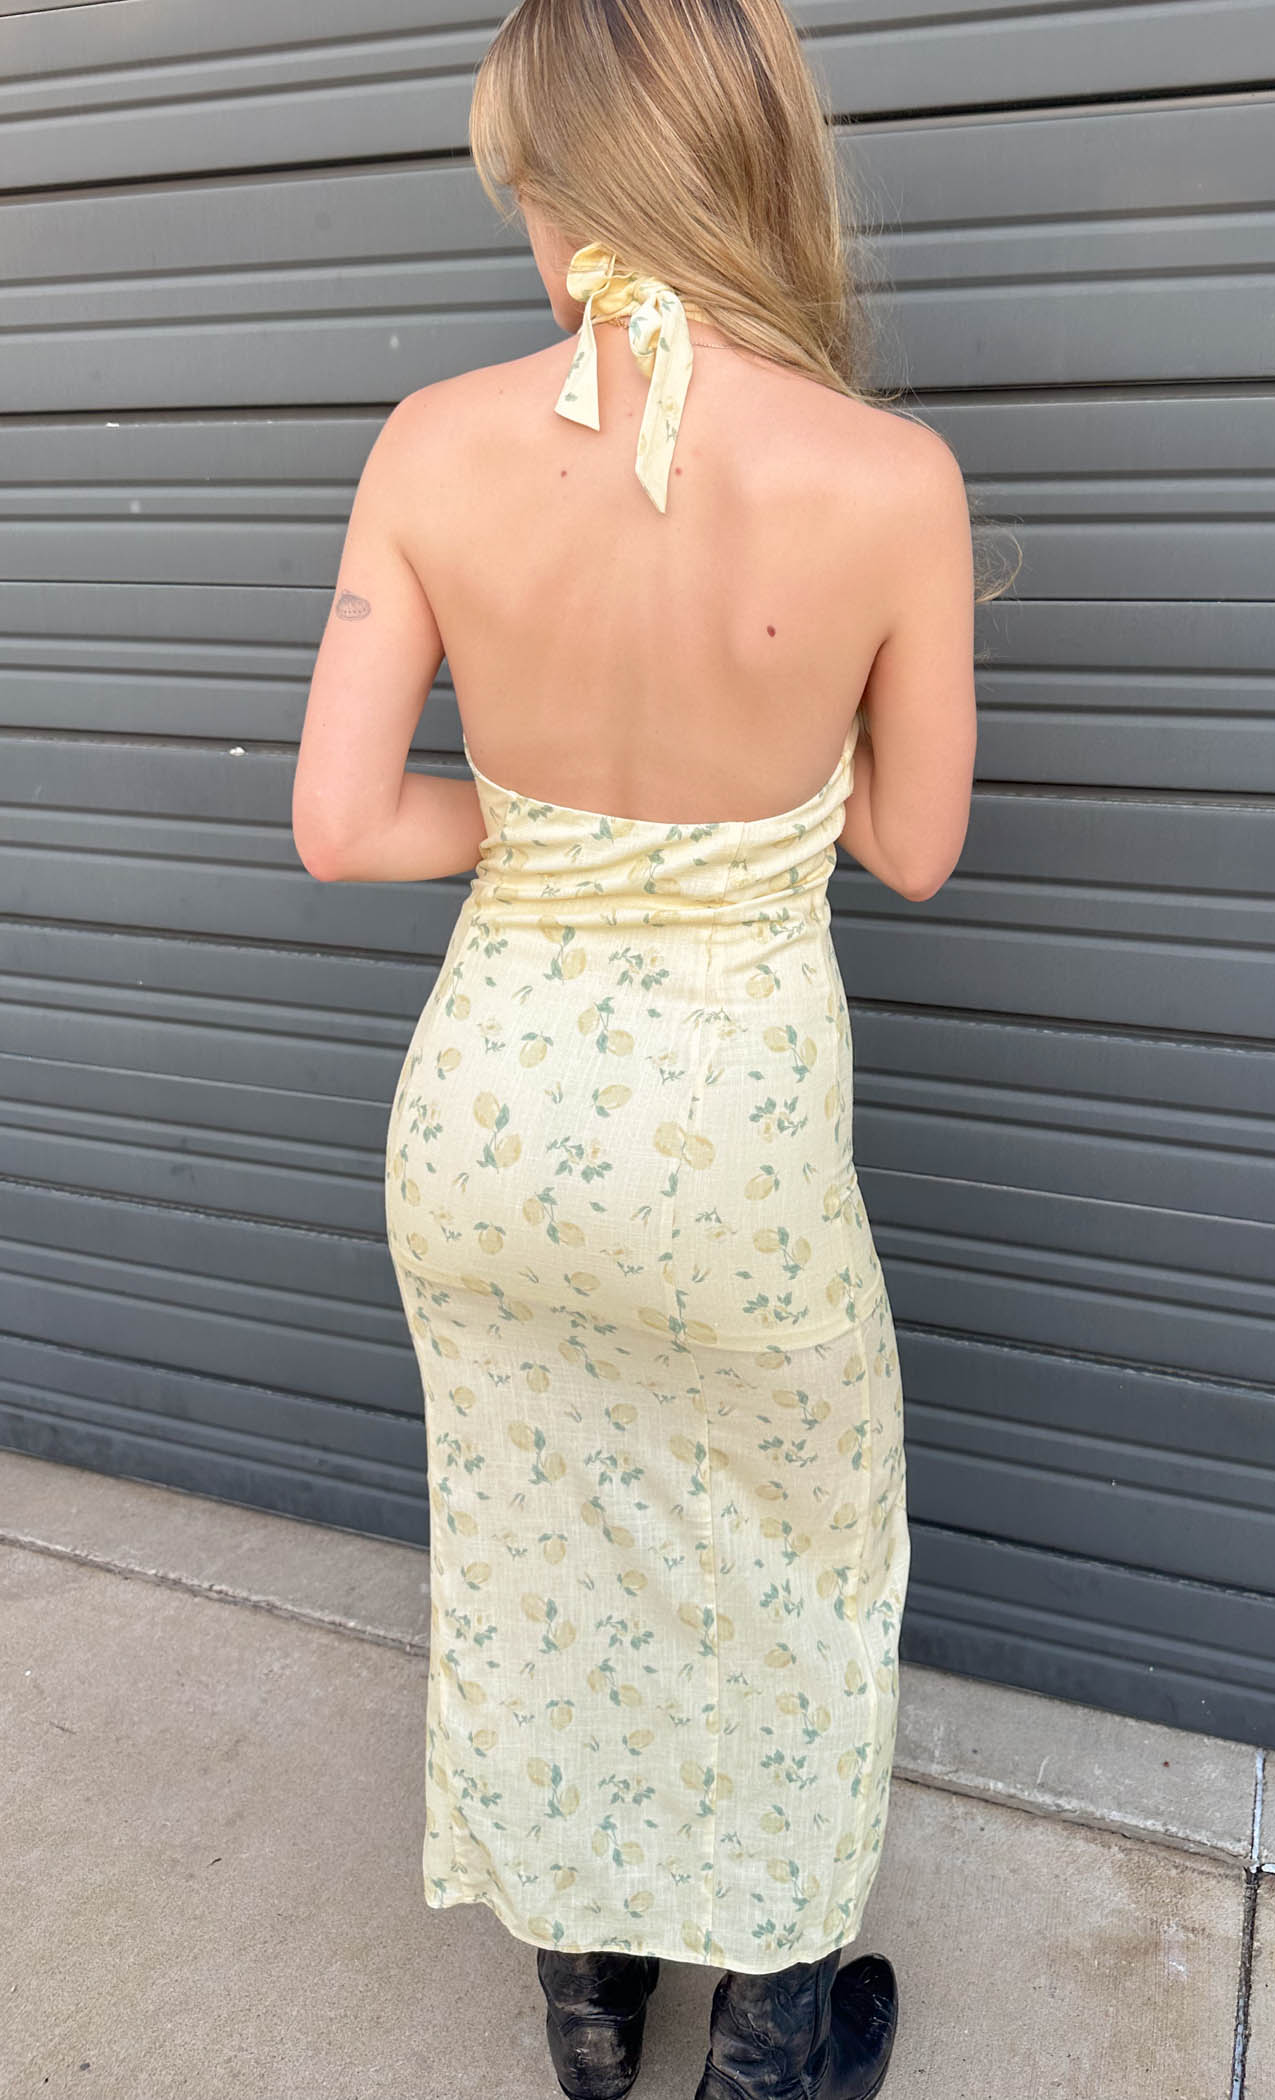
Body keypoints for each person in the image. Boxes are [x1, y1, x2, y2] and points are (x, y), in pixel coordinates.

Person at [292, 1, 988, 2093]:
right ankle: (770, 2038)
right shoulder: (890, 480)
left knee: (543, 1544)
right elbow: (913, 845)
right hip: (728, 1150)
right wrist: (725, 827)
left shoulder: (430, 444)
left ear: (570, 189)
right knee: (793, 1561)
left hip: (485, 1119)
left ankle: (588, 2007)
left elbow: (341, 824)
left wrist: (551, 833)